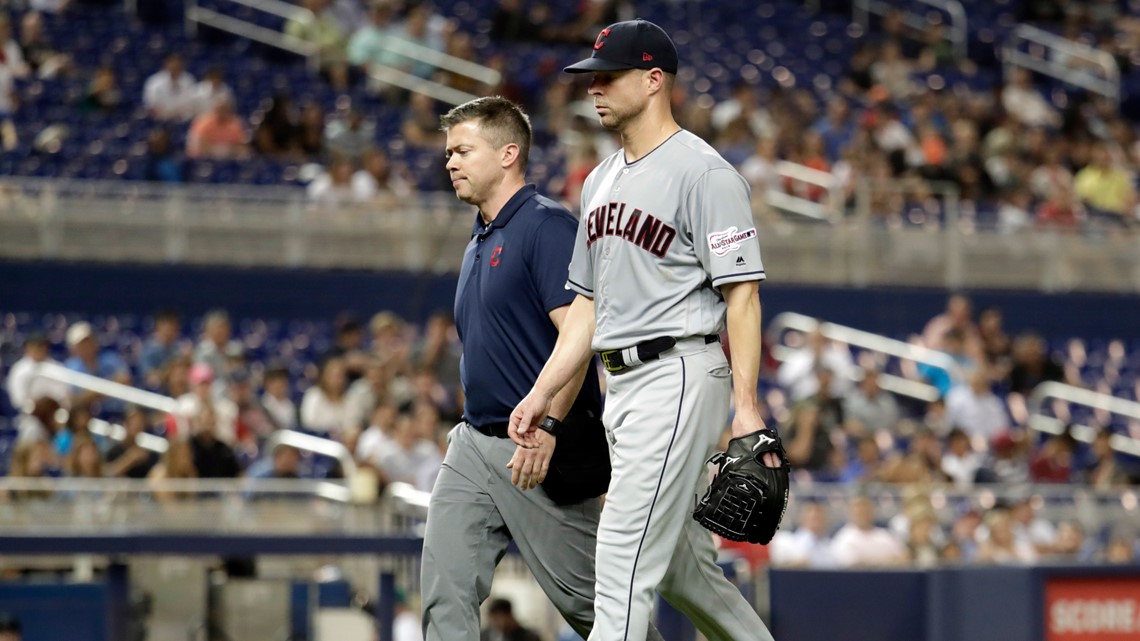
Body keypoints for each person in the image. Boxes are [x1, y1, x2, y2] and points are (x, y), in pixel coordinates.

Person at [509, 20, 776, 641]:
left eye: (609, 76)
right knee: (682, 568)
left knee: (623, 557)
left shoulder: (705, 173)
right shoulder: (599, 181)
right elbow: (586, 308)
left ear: (654, 80)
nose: (593, 88)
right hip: (621, 386)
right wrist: (542, 394)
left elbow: (742, 295)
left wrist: (745, 408)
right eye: (591, 77)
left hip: (679, 371)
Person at [420, 96, 661, 641]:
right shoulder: (481, 237)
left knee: (595, 609)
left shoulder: (546, 227)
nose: (450, 162)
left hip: (534, 446)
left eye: (463, 150)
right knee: (444, 589)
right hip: (473, 442)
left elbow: (581, 336)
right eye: (449, 151)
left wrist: (548, 426)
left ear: (508, 154)